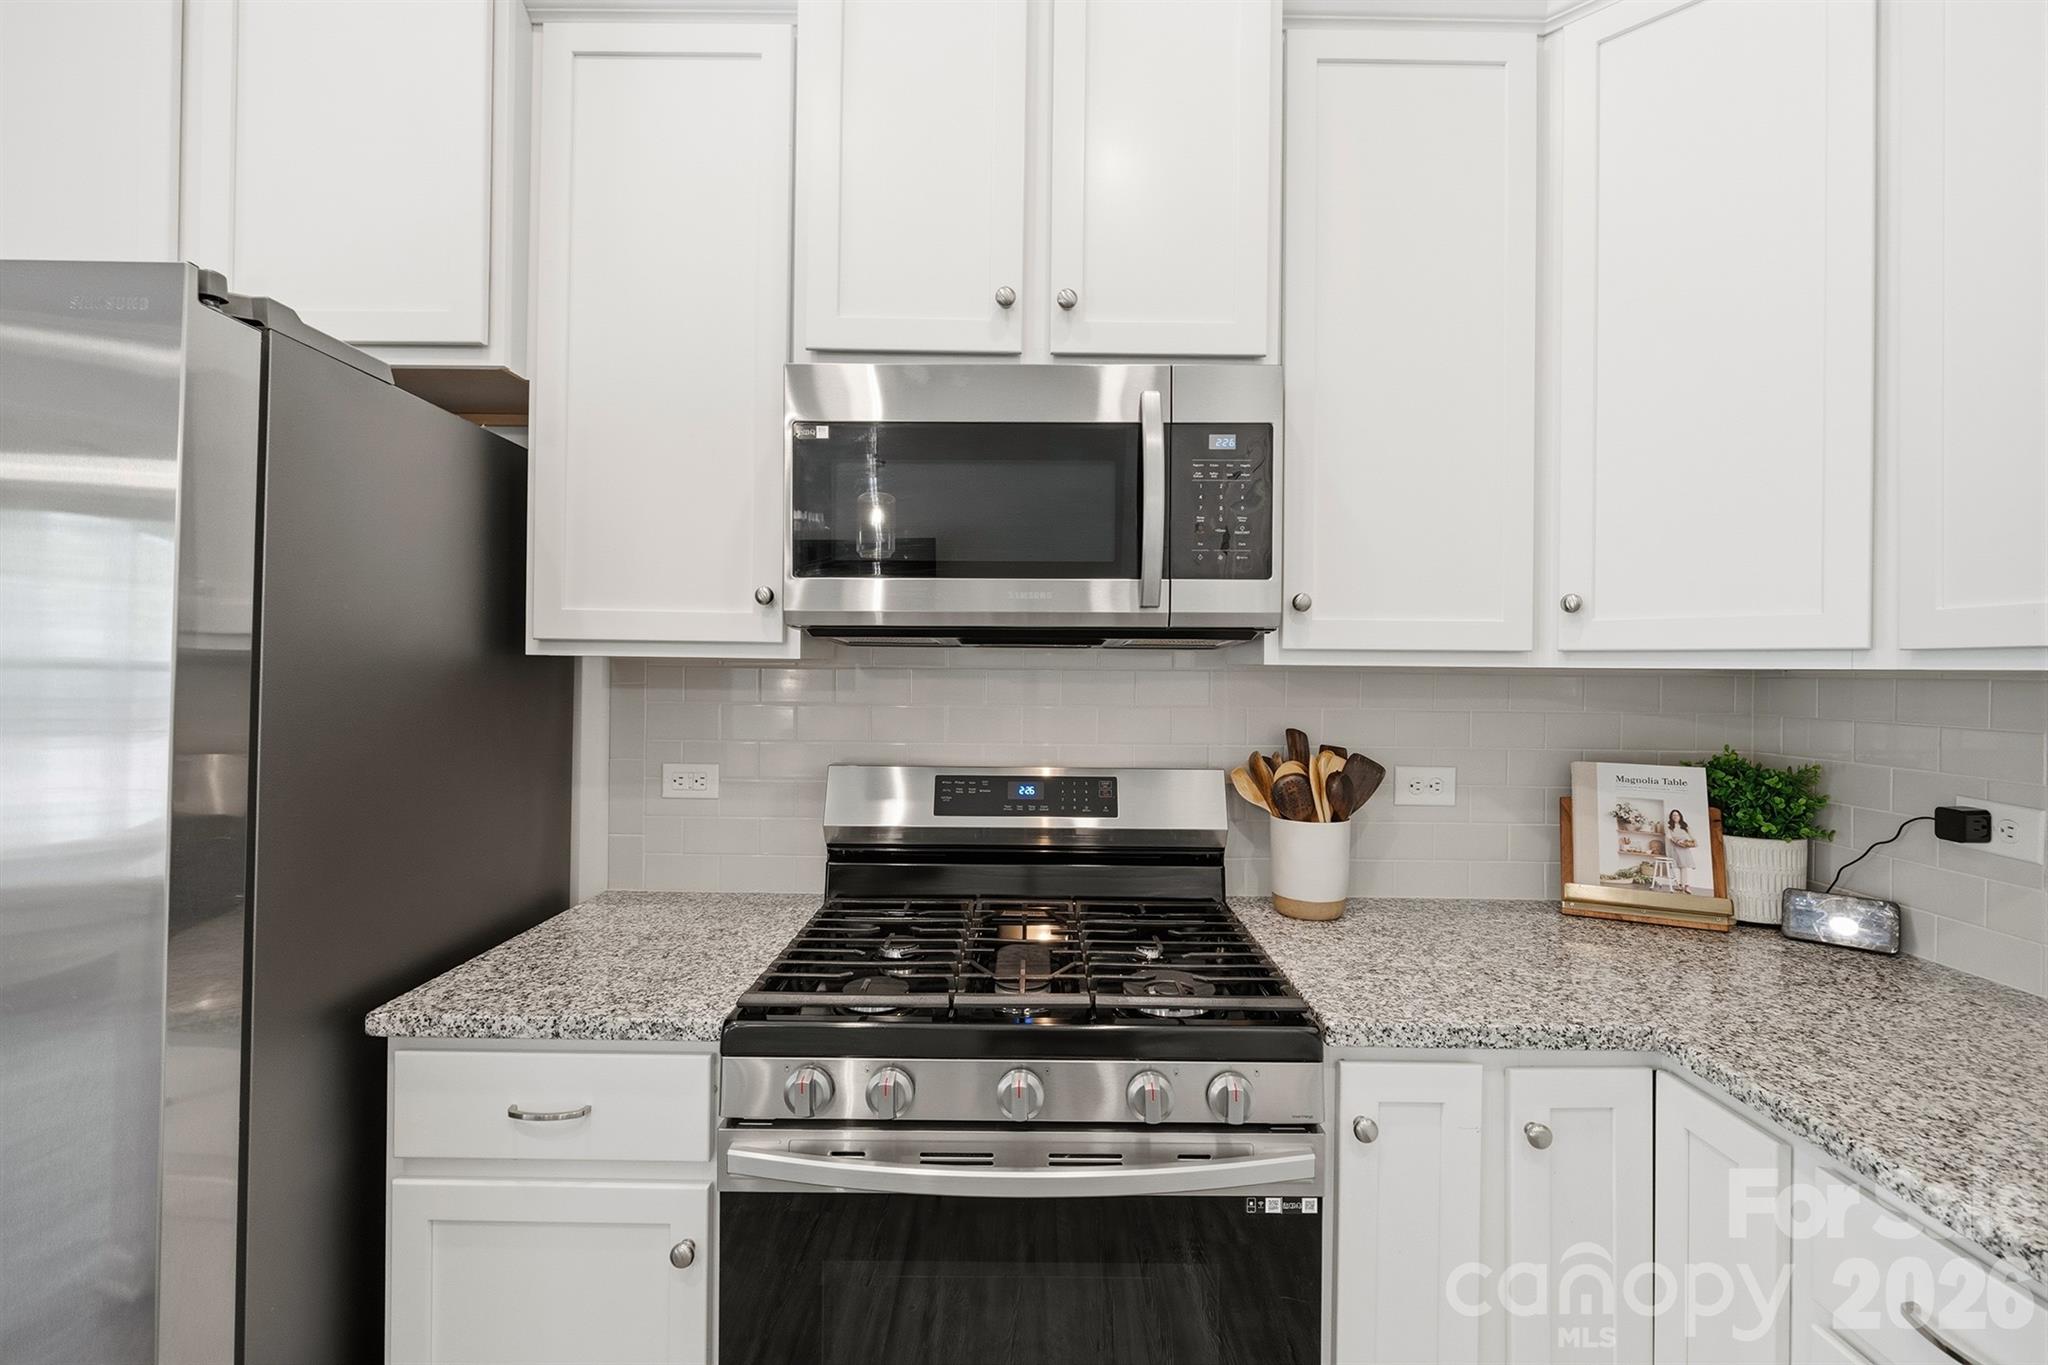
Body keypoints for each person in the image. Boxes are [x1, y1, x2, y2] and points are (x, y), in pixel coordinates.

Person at [1666, 809, 1700, 893]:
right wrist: (1677, 841)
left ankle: (1685, 885)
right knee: (1680, 867)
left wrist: (1689, 842)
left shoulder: (1685, 826)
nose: (1675, 817)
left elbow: (1692, 837)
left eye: (1677, 815)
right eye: (1673, 815)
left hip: (1684, 848)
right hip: (1676, 848)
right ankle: (1682, 885)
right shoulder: (1669, 827)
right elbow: (1669, 837)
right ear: (1671, 817)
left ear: (1680, 816)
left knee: (1684, 867)